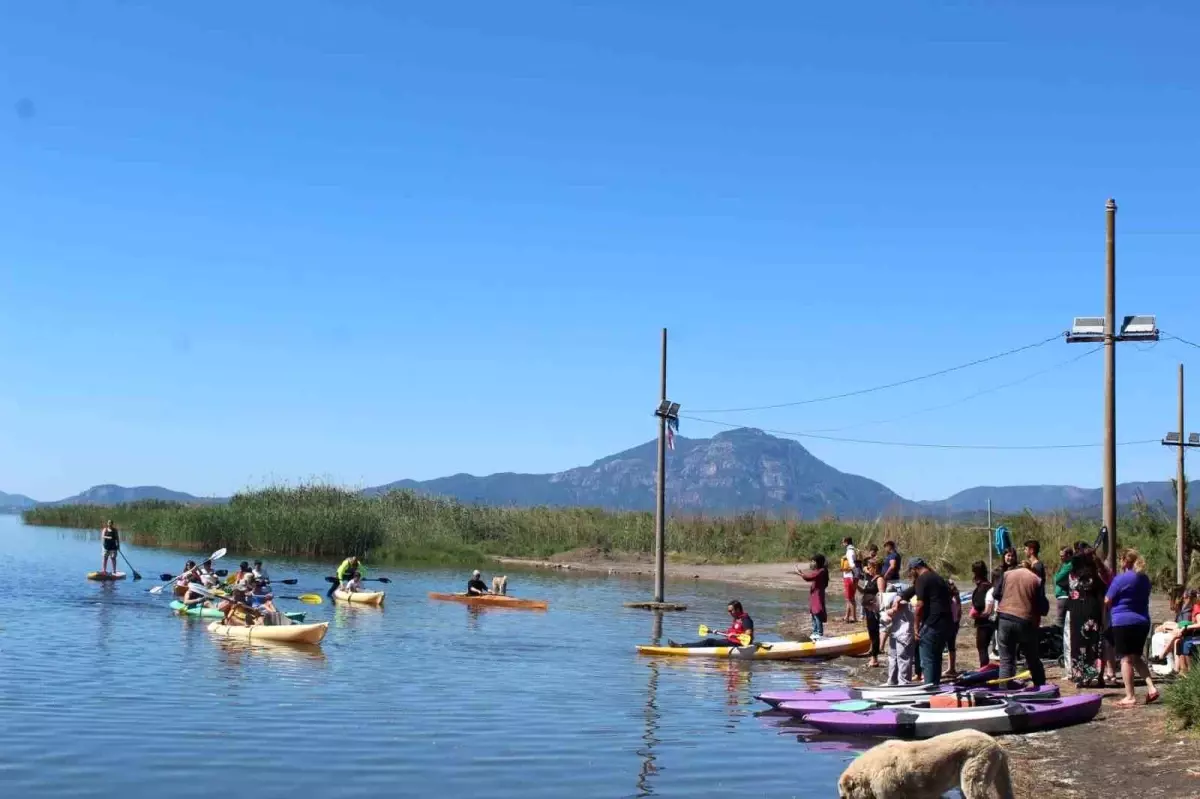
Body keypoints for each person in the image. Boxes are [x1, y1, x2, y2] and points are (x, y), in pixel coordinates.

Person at [1105, 549, 1159, 707]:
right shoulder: (1145, 579)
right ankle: (1151, 688)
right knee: (1136, 657)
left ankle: (1130, 696)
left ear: (1124, 561)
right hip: (1142, 621)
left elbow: (1107, 599)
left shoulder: (1120, 579)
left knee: (1125, 659)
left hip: (1123, 621)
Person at [991, 559, 1048, 687]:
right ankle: (1042, 688)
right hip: (1025, 621)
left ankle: (1004, 693)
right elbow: (1043, 608)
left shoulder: (1007, 574)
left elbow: (995, 594)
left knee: (1006, 661)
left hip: (1005, 619)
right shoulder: (1036, 579)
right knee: (1032, 659)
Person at [899, 557, 952, 687]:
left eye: (910, 571)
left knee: (927, 659)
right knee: (936, 658)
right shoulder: (937, 578)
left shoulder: (923, 579)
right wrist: (900, 596)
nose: (910, 574)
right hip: (945, 623)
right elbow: (913, 590)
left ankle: (929, 689)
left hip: (932, 623)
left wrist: (916, 627)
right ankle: (935, 687)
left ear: (914, 569)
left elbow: (920, 605)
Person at [670, 601, 754, 648]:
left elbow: (748, 634)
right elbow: (730, 633)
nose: (729, 613)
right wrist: (715, 631)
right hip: (732, 641)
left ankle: (681, 646)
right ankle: (683, 645)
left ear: (738, 609)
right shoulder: (737, 619)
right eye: (728, 611)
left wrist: (735, 635)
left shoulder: (745, 619)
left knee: (709, 641)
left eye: (731, 611)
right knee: (710, 640)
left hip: (739, 644)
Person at [880, 592, 916, 685]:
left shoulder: (900, 602)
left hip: (904, 632)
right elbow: (885, 626)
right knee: (893, 657)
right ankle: (892, 682)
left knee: (903, 657)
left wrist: (890, 611)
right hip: (895, 632)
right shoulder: (883, 603)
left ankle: (904, 683)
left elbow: (885, 626)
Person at [967, 561, 995, 669]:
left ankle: (984, 669)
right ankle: (985, 668)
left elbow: (979, 604)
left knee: (982, 647)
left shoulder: (983, 587)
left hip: (984, 621)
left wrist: (975, 612)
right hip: (989, 620)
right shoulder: (988, 584)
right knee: (984, 647)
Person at [858, 559, 886, 667]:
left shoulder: (879, 579)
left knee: (874, 633)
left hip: (874, 610)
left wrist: (876, 606)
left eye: (869, 567)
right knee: (871, 632)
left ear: (875, 567)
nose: (868, 569)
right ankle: (872, 656)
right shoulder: (871, 579)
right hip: (868, 609)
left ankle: (874, 658)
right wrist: (856, 585)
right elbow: (864, 592)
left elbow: (881, 595)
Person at [796, 553, 830, 638]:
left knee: (817, 613)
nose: (812, 563)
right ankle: (815, 632)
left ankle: (819, 633)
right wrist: (801, 573)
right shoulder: (819, 570)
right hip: (815, 594)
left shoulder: (821, 571)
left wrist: (800, 573)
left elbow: (809, 578)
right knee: (813, 614)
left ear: (818, 562)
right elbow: (810, 576)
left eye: (813, 561)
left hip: (817, 595)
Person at [1052, 546, 1073, 630]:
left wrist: (1057, 577)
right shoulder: (1064, 565)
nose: (1060, 558)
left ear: (1068, 555)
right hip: (1061, 596)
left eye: (1062, 556)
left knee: (1060, 622)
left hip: (1064, 596)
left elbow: (1057, 578)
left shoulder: (1069, 565)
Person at [945, 577, 962, 677]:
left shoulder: (949, 598)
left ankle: (951, 668)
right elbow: (959, 612)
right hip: (954, 623)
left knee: (948, 646)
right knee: (951, 646)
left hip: (949, 623)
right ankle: (951, 668)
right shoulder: (956, 597)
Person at [841, 537, 858, 623]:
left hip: (849, 576)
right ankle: (847, 616)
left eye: (843, 541)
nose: (842, 543)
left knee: (850, 598)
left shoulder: (849, 551)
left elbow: (852, 565)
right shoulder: (853, 549)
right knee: (849, 597)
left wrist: (856, 573)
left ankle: (854, 618)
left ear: (846, 542)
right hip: (852, 576)